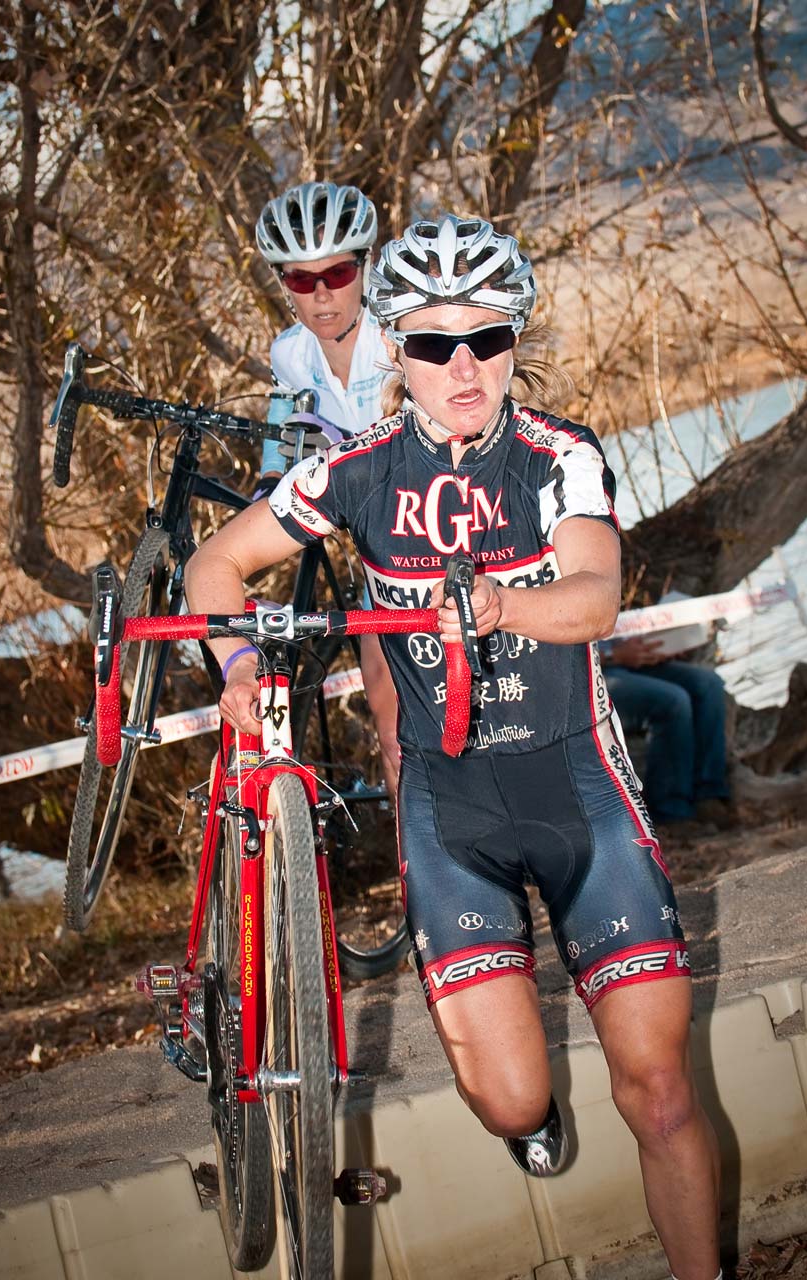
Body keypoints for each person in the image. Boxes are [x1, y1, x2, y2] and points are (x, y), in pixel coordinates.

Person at [186, 214, 722, 1280]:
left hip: (577, 786)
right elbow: (213, 566)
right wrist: (238, 672)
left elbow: (594, 593)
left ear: (517, 338)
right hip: (449, 812)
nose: (462, 365)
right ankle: (525, 1116)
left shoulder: (559, 454)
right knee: (511, 1096)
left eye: (487, 336)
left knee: (657, 1088)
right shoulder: (355, 470)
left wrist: (492, 602)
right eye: (432, 344)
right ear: (394, 350)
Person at [254, 180, 399, 797]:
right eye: (299, 279)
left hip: (450, 539)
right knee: (392, 731)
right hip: (376, 562)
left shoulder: (397, 336)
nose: (320, 295)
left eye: (337, 273)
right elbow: (285, 446)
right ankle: (424, 890)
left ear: (365, 268)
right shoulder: (288, 355)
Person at [600, 635, 734, 837]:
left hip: (625, 660)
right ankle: (671, 812)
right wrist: (613, 655)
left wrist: (660, 645)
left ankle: (709, 796)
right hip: (591, 676)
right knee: (673, 701)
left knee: (708, 684)